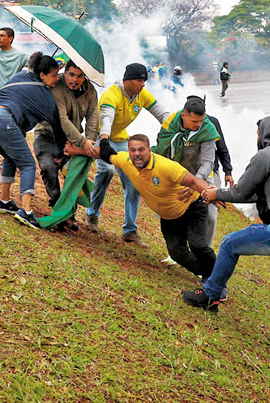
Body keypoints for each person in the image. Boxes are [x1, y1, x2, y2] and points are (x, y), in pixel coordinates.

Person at [183, 114, 270, 355]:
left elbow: (240, 192)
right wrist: (219, 193)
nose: (257, 137)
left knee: (230, 243)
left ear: (268, 133)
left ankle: (210, 296)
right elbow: (256, 194)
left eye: (259, 132)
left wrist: (214, 194)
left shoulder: (266, 155)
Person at [0, 53, 72, 229]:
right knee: (28, 164)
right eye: (54, 75)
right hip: (2, 119)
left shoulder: (21, 76)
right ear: (42, 75)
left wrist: (55, 66)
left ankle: (4, 201)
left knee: (11, 157)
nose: (57, 79)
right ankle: (26, 211)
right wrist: (59, 153)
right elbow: (57, 127)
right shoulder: (44, 97)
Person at [99, 135, 219, 275]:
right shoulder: (125, 160)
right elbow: (103, 153)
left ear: (149, 150)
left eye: (141, 150)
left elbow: (193, 181)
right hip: (169, 216)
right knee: (177, 253)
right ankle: (209, 275)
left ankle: (216, 279)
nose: (137, 154)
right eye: (133, 150)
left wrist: (211, 192)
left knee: (197, 245)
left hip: (191, 207)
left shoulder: (166, 166)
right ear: (129, 151)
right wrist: (75, 149)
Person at [84, 63, 169, 246]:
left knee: (133, 179)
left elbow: (162, 114)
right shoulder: (112, 94)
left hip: (121, 139)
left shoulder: (141, 95)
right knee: (106, 171)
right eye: (140, 80)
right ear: (128, 80)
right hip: (102, 137)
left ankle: (129, 230)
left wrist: (177, 127)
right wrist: (104, 140)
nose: (143, 84)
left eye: (144, 80)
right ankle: (91, 215)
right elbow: (106, 118)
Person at [152, 96, 221, 277]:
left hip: (202, 177)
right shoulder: (170, 125)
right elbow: (162, 150)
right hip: (176, 176)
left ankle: (204, 257)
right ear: (184, 115)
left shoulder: (207, 129)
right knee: (177, 214)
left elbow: (208, 162)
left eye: (201, 120)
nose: (199, 124)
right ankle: (183, 256)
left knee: (211, 218)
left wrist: (195, 182)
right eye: (194, 121)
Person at [33, 61, 98, 208]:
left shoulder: (90, 90)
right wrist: (83, 142)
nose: (75, 80)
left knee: (74, 175)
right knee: (48, 167)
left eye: (80, 76)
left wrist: (90, 141)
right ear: (65, 72)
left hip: (72, 139)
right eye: (72, 74)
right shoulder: (56, 86)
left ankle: (69, 212)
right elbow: (62, 119)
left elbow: (93, 117)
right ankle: (56, 203)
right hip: (47, 134)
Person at [204, 114, 234, 247]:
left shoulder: (212, 122)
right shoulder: (180, 123)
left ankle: (206, 250)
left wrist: (228, 172)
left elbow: (222, 148)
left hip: (212, 173)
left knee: (211, 216)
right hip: (189, 174)